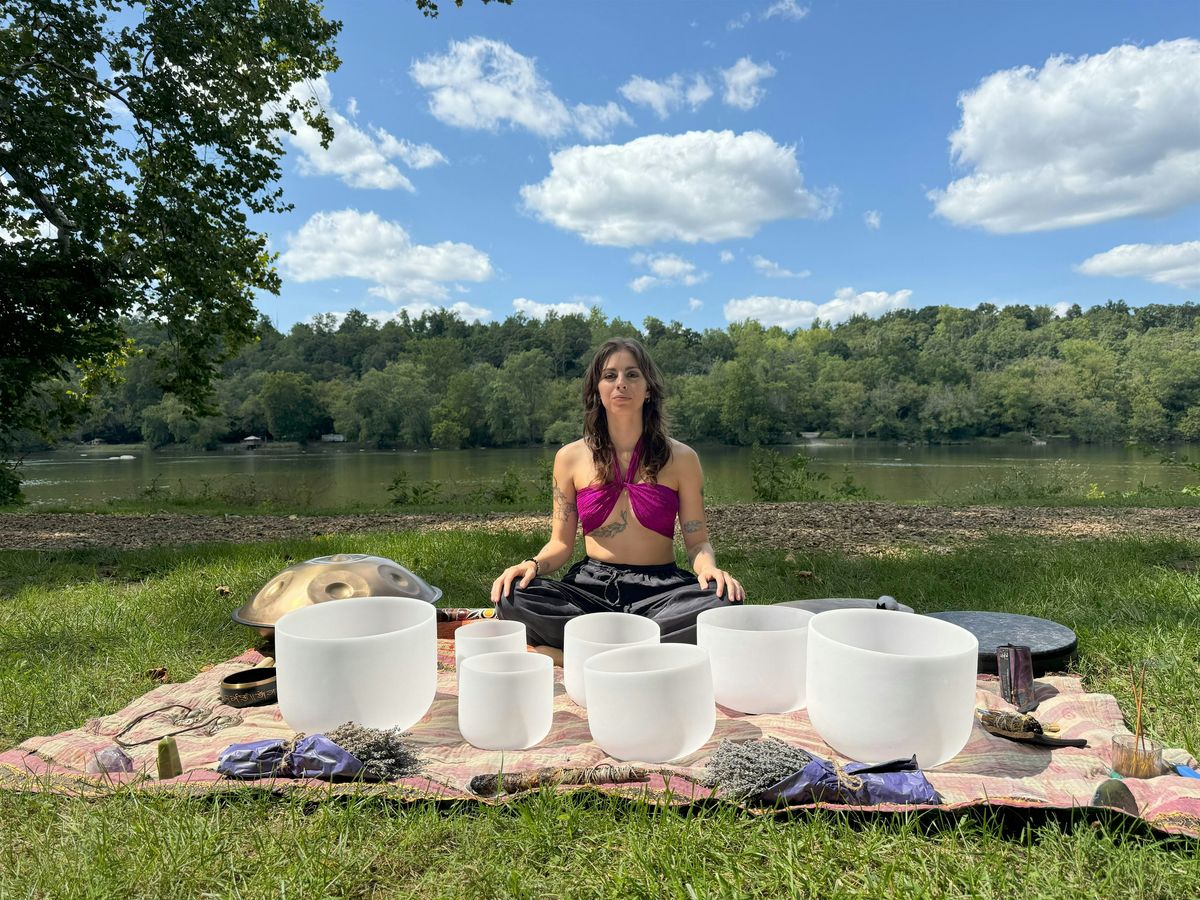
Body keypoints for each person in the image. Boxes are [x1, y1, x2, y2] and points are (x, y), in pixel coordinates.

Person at [491, 337, 745, 664]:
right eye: (610, 376)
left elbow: (697, 542)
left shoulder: (682, 458)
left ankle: (576, 655)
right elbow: (560, 544)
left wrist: (710, 569)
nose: (621, 383)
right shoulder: (570, 458)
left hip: (661, 590)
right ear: (597, 389)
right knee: (513, 595)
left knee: (723, 603)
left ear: (649, 388)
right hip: (590, 588)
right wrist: (532, 564)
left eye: (632, 374)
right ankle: (643, 653)